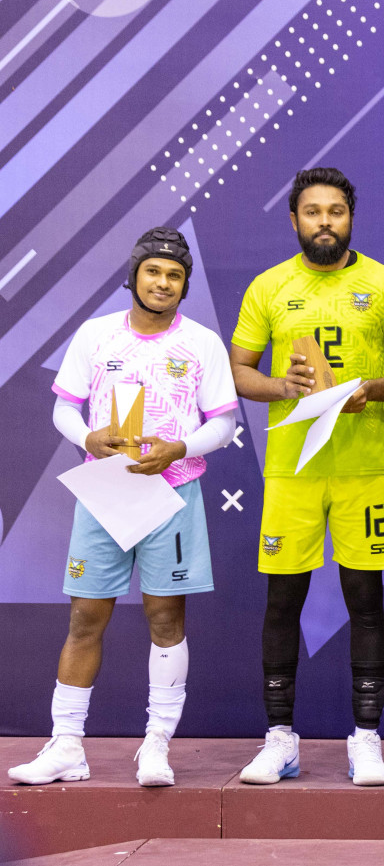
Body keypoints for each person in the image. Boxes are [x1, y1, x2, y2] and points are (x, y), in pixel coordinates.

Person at [8, 228, 237, 788]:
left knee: (166, 619)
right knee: (86, 617)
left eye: (175, 275)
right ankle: (66, 747)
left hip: (173, 491)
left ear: (185, 285)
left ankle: (156, 745)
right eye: (154, 271)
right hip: (106, 491)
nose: (163, 283)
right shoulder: (97, 335)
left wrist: (180, 447)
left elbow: (225, 423)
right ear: (134, 275)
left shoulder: (202, 342)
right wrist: (89, 439)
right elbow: (65, 410)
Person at [231, 167, 384, 787]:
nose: (325, 221)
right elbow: (239, 369)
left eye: (336, 211)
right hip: (292, 470)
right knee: (282, 601)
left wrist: (374, 390)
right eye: (312, 211)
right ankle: (280, 739)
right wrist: (280, 387)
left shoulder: (383, 283)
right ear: (294, 219)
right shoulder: (269, 286)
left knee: (365, 601)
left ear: (351, 217)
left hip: (362, 467)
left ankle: (366, 741)